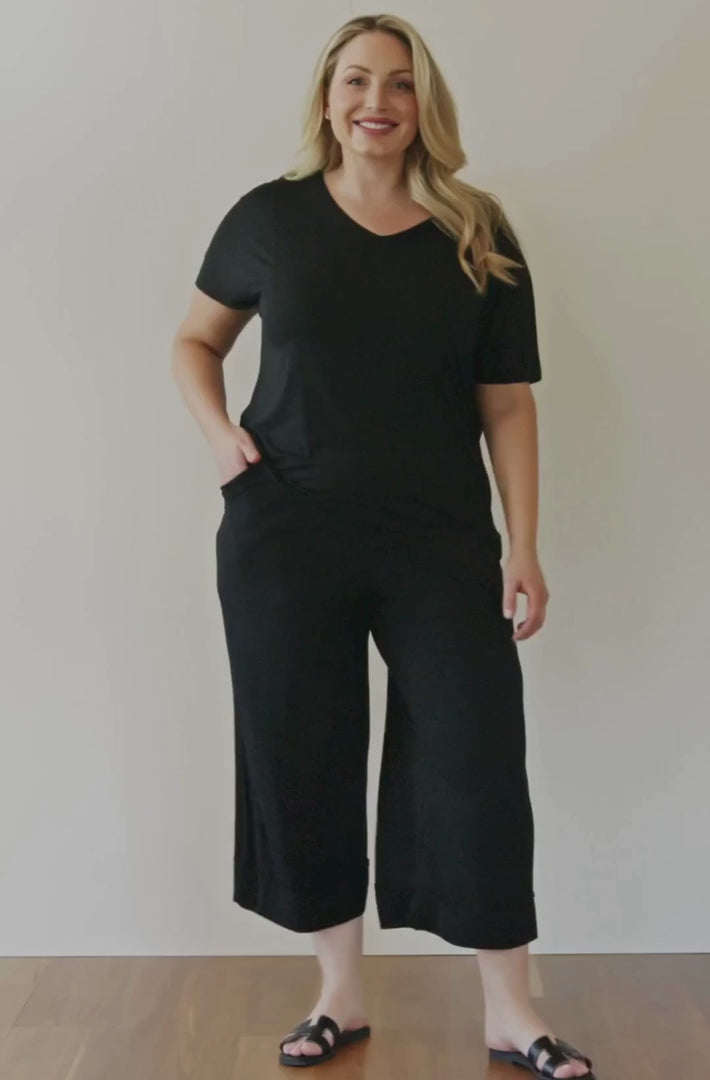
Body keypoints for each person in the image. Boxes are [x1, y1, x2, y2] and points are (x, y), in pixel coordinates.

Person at [171, 13, 594, 1080]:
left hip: (439, 541)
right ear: (327, 98)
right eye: (357, 80)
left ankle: (511, 1012)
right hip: (286, 532)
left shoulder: (476, 230)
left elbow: (507, 403)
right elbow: (194, 340)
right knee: (304, 756)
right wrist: (221, 439)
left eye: (399, 83)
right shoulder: (270, 217)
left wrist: (524, 545)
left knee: (474, 760)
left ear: (423, 103)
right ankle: (338, 997)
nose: (377, 101)